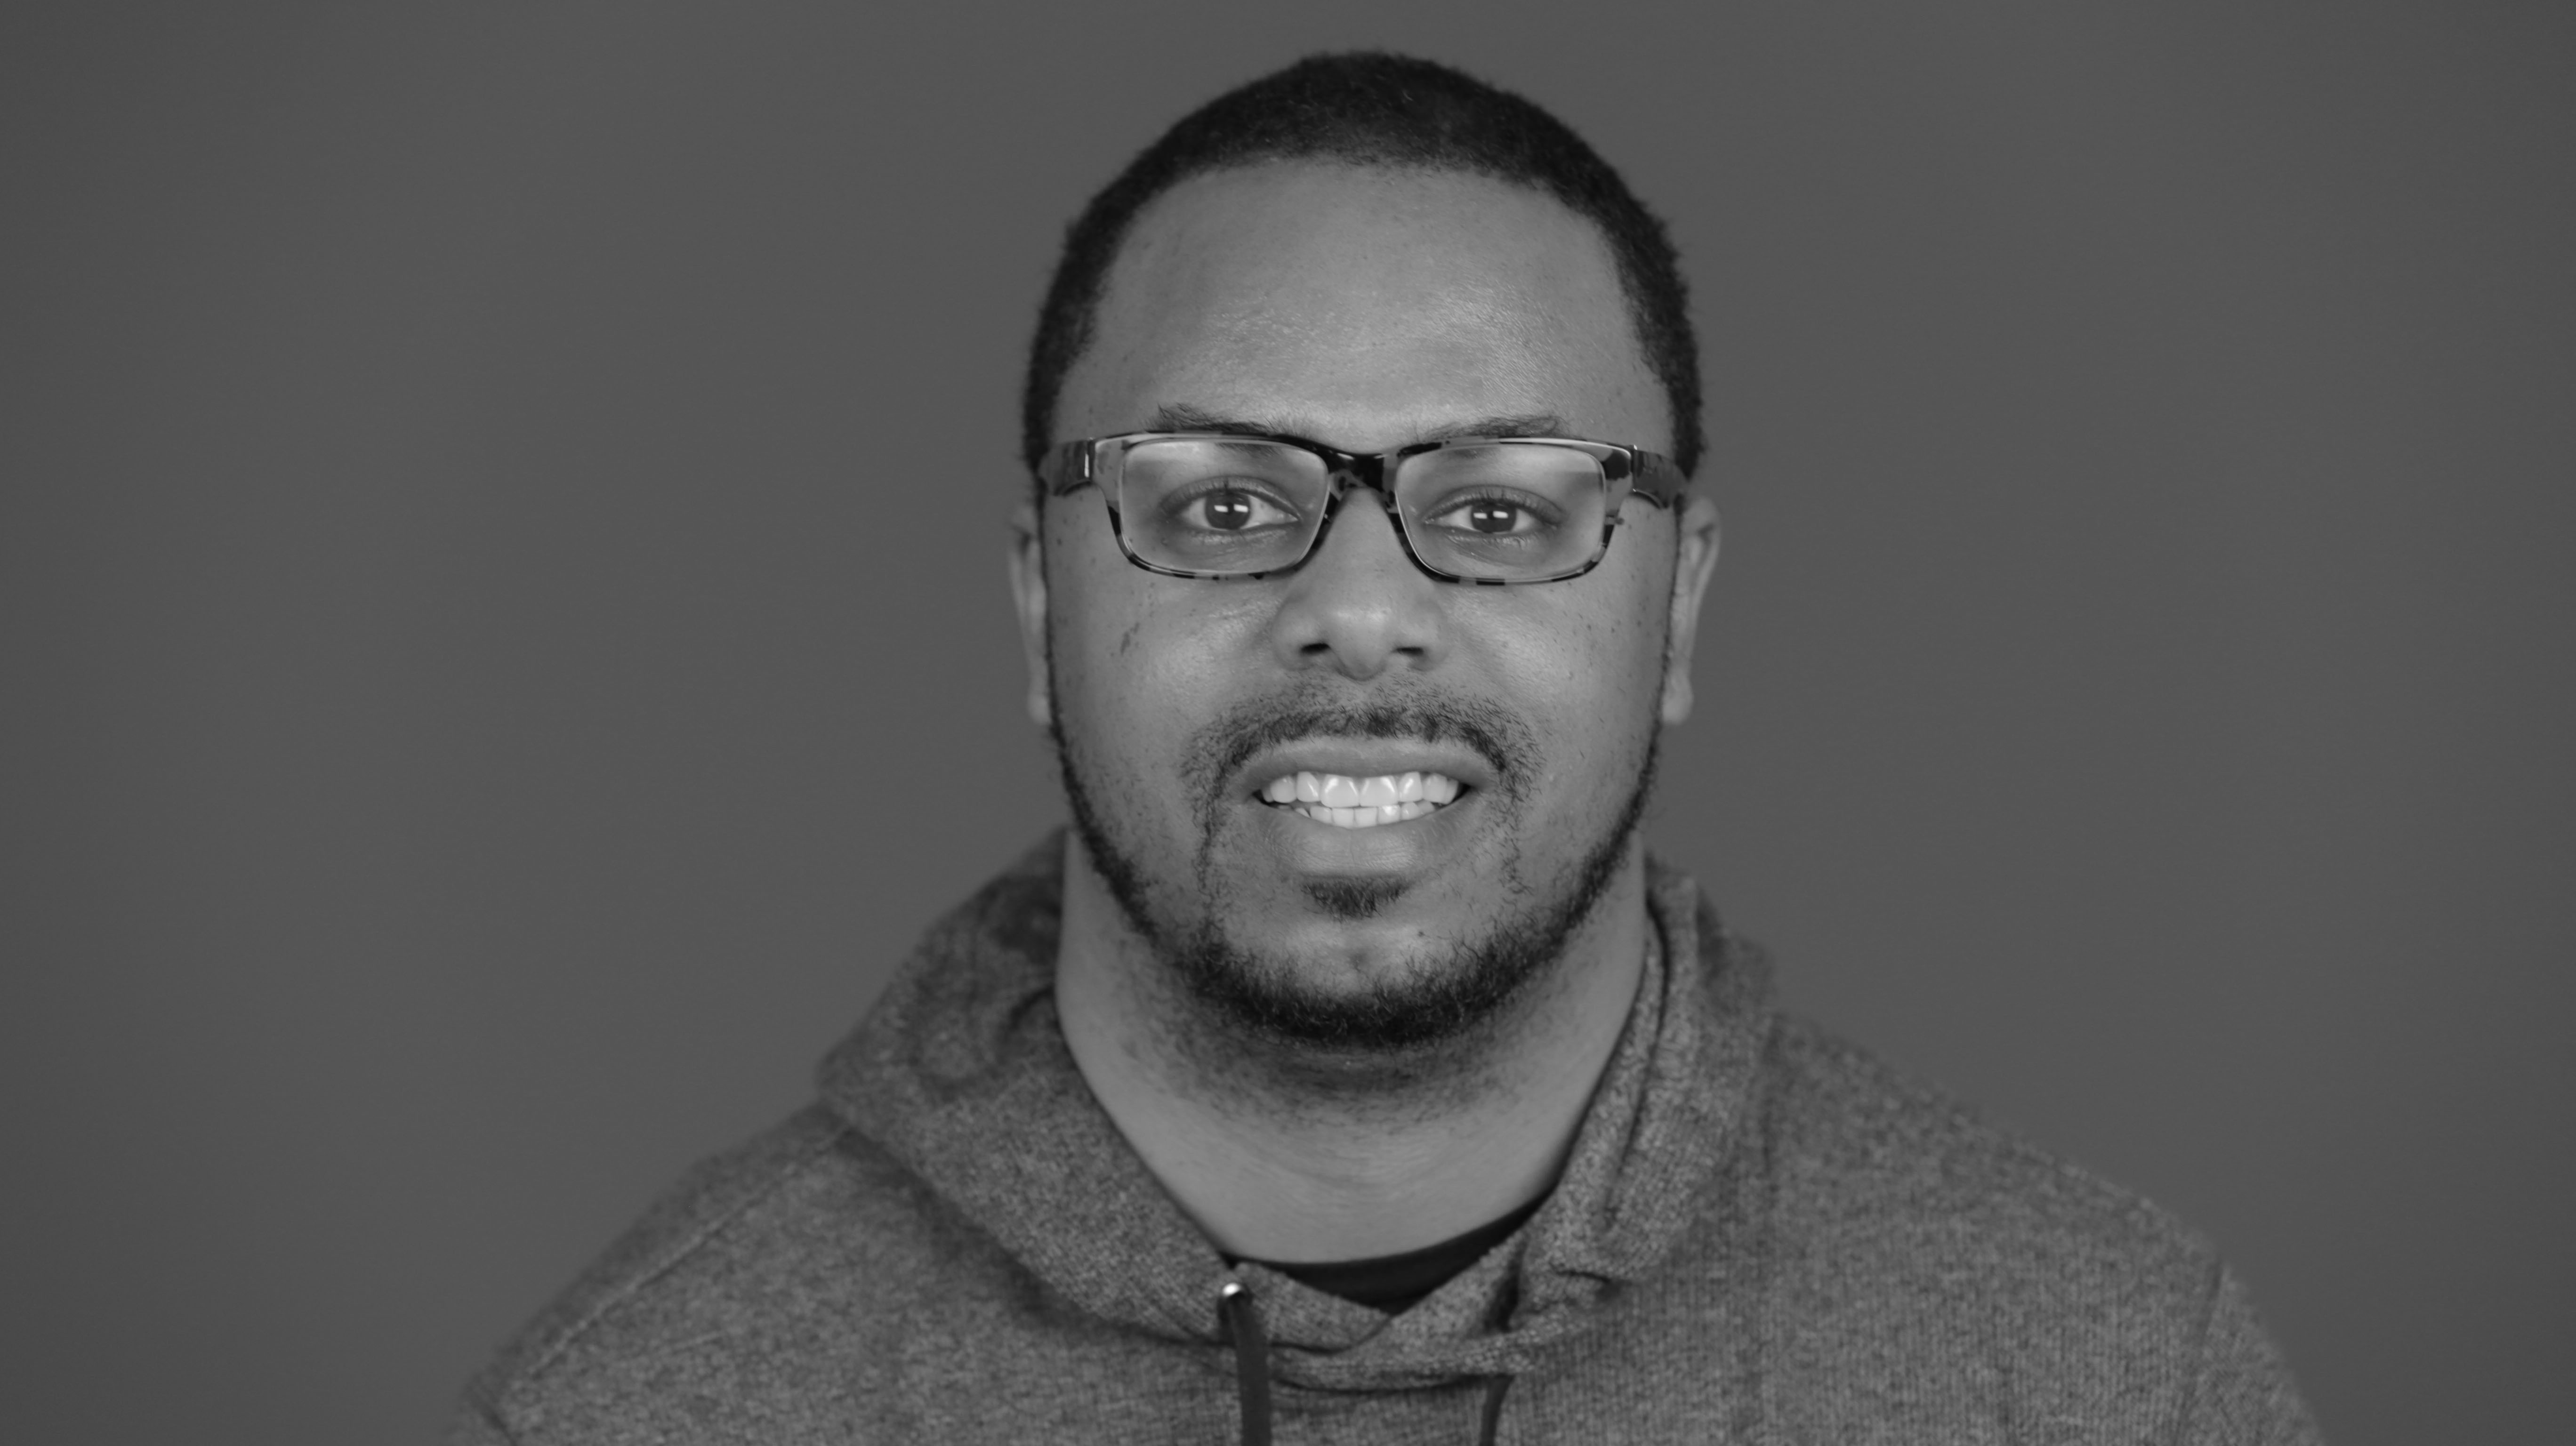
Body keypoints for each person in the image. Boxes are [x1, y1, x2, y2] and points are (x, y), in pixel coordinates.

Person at [450, 52, 2319, 1445]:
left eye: (1500, 510)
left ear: (1675, 612)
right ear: (1038, 607)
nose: (1358, 608)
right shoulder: (626, 1413)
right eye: (1215, 505)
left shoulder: (2111, 1382)